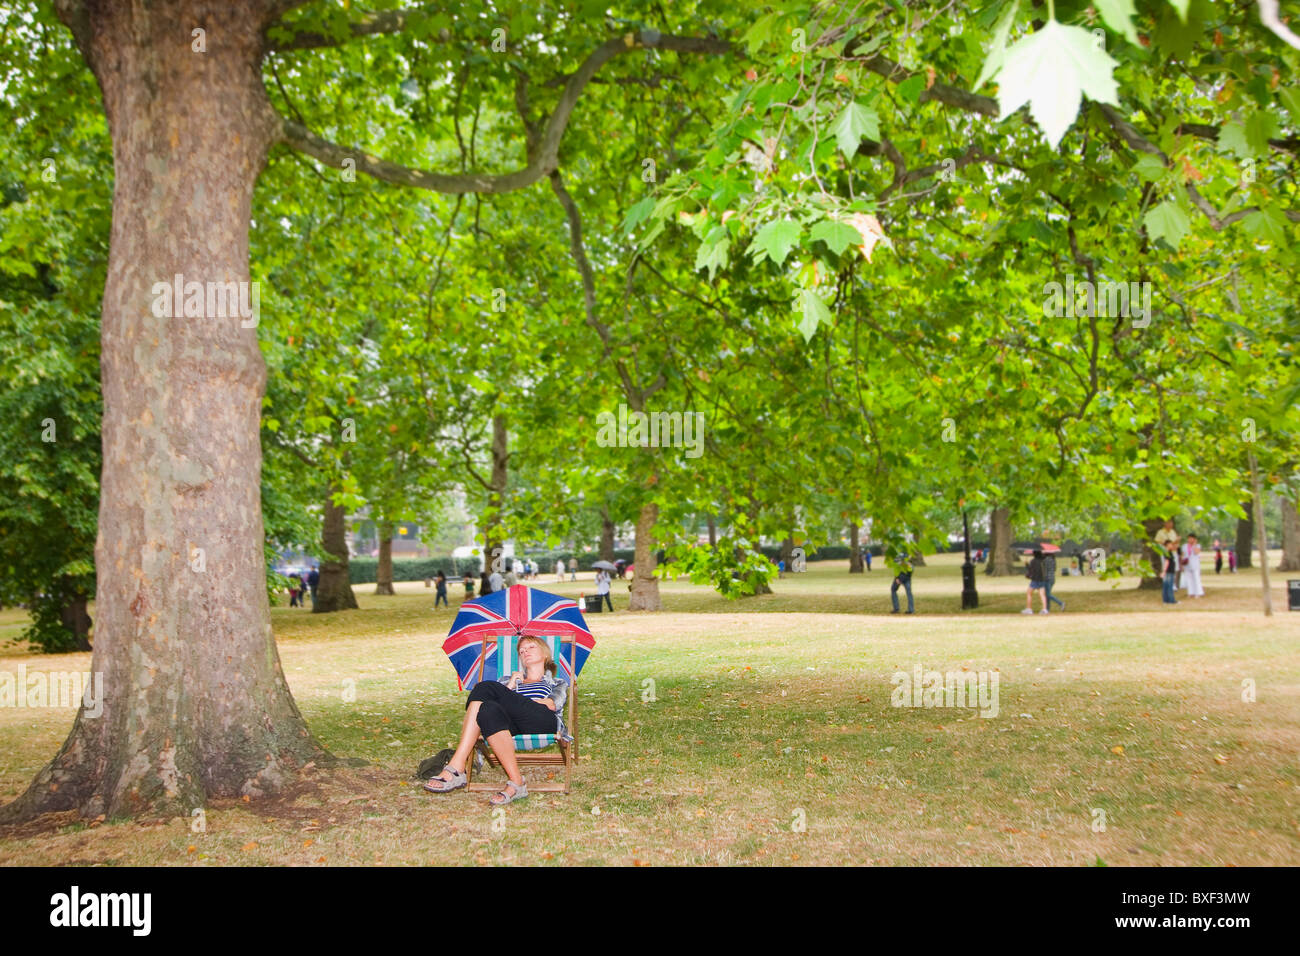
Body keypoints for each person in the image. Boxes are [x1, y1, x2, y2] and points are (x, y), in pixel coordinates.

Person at [423, 635, 571, 805]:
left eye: (531, 647)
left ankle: (457, 765)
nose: (525, 652)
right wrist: (509, 687)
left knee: (485, 687)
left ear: (545, 654)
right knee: (487, 710)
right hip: (513, 725)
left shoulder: (556, 682)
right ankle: (517, 783)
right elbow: (493, 703)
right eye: (522, 651)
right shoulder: (507, 682)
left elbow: (552, 704)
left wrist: (512, 699)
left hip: (542, 721)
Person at [1023, 549, 1049, 615]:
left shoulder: (1033, 561)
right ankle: (1045, 609)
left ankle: (1029, 609)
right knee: (1042, 595)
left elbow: (1030, 570)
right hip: (1042, 579)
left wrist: (1026, 564)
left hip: (1035, 580)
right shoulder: (1043, 561)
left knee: (1029, 593)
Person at [1159, 539, 1180, 605]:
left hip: (1167, 571)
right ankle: (1171, 600)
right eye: (1171, 544)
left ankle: (1165, 600)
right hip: (1169, 571)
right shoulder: (1167, 552)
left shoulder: (1166, 552)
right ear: (1167, 545)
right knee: (1169, 586)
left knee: (1165, 586)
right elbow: (1167, 562)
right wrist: (1164, 571)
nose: (1172, 546)